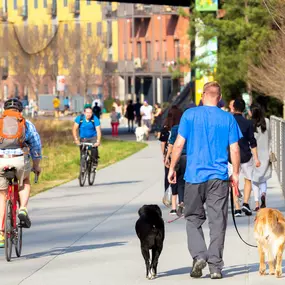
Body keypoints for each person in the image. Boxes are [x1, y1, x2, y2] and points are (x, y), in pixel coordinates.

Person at [168, 81, 242, 279]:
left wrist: (172, 168)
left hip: (194, 176)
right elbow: (234, 148)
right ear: (219, 98)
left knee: (193, 218)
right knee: (218, 222)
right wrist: (235, 173)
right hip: (218, 177)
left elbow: (178, 144)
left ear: (202, 95)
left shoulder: (189, 115)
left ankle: (199, 255)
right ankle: (215, 267)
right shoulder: (227, 118)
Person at [0, 98, 42, 247]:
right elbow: (35, 145)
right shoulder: (25, 123)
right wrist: (36, 165)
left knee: (2, 194)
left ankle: (1, 233)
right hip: (18, 159)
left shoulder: (0, 121)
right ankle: (23, 208)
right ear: (20, 111)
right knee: (24, 181)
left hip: (1, 160)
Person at [231, 99, 261, 217]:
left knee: (234, 181)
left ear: (233, 108)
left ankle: (237, 208)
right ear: (244, 109)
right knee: (248, 180)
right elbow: (252, 142)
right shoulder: (248, 123)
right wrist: (256, 158)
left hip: (232, 157)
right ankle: (245, 203)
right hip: (246, 156)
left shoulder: (229, 121)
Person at [164, 106, 187, 216]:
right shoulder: (191, 127)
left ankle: (180, 202)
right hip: (190, 156)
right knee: (189, 180)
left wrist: (168, 157)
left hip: (179, 157)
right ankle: (188, 202)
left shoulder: (175, 129)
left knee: (179, 181)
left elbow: (172, 145)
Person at [250, 103, 272, 211]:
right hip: (266, 154)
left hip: (255, 155)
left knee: (254, 180)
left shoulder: (251, 124)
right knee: (263, 179)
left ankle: (257, 203)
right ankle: (263, 194)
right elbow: (270, 137)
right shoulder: (267, 122)